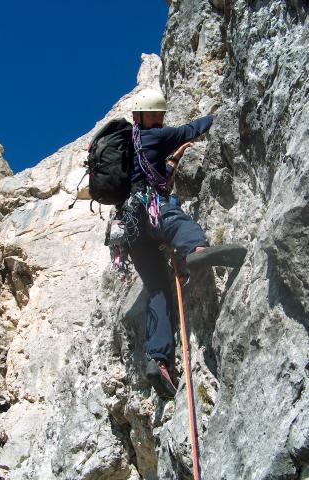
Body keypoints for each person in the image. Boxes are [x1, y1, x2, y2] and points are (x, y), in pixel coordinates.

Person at [119, 88, 247, 399]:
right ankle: (197, 251)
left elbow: (155, 176)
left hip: (132, 232)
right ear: (145, 116)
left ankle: (159, 360)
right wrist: (218, 115)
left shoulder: (129, 148)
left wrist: (172, 162)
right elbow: (190, 130)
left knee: (158, 291)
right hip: (150, 209)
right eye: (157, 115)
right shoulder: (154, 136)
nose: (161, 119)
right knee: (176, 220)